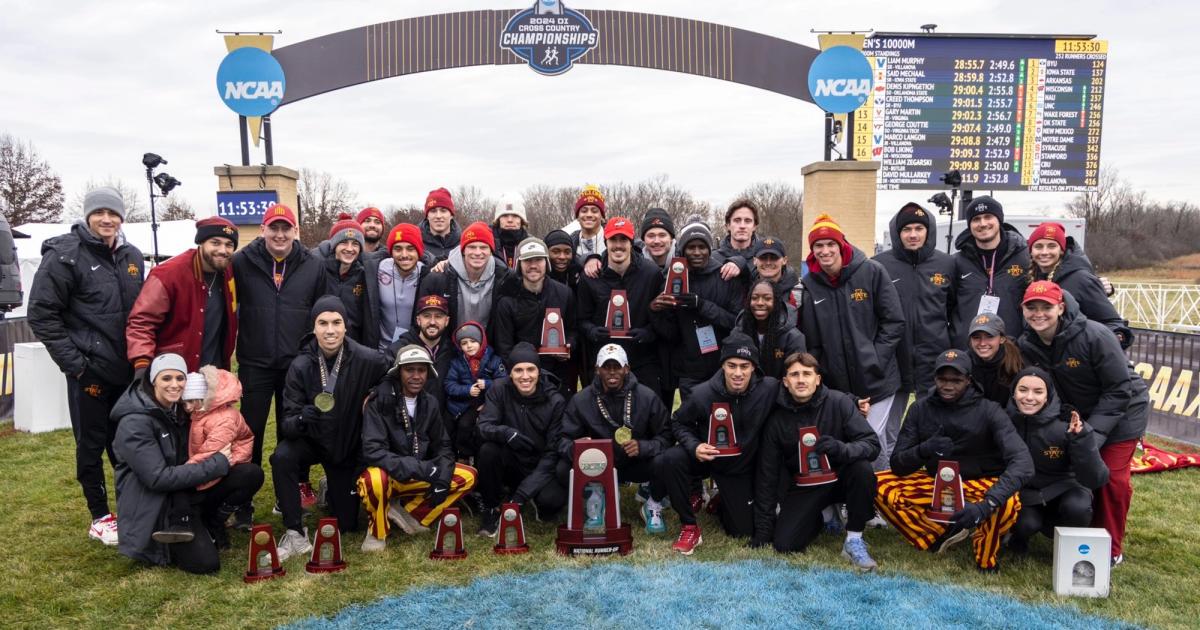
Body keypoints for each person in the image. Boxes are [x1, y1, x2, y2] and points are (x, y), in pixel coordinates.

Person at [29, 186, 145, 545]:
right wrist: (76, 365)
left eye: (113, 214)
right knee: (91, 444)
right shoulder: (65, 256)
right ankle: (99, 515)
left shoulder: (132, 256)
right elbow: (42, 314)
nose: (107, 220)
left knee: (125, 442)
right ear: (88, 215)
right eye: (100, 213)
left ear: (122, 218)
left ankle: (130, 507)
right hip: (90, 372)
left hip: (125, 371)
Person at [1018, 280, 1148, 566]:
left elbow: (1119, 389)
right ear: (1023, 310)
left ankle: (1111, 548)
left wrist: (1094, 436)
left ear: (1061, 307)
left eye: (1046, 307)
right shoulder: (1027, 342)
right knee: (1078, 474)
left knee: (1111, 477)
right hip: (1080, 414)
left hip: (1124, 412)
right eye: (1031, 307)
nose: (1039, 313)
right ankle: (1076, 532)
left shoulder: (1096, 335)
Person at [876, 349, 1033, 571]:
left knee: (1007, 503)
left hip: (981, 483)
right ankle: (936, 535)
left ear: (969, 380)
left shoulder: (990, 410)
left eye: (956, 380)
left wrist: (985, 504)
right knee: (877, 483)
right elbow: (898, 466)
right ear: (934, 379)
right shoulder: (920, 408)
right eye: (942, 379)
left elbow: (1023, 462)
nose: (948, 385)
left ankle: (985, 557)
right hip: (935, 482)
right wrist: (924, 449)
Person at [111, 353, 262, 574]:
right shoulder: (134, 423)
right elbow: (157, 478)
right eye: (166, 378)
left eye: (180, 378)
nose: (174, 385)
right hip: (160, 504)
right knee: (205, 564)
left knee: (250, 474)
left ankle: (210, 520)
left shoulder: (183, 408)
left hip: (186, 488)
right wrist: (218, 463)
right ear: (153, 380)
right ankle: (169, 539)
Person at [271, 296, 390, 561]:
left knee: (347, 525)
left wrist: (376, 393)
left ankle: (329, 487)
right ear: (313, 328)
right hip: (311, 440)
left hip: (345, 445)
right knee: (282, 457)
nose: (330, 330)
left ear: (346, 326)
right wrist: (302, 418)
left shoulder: (365, 357)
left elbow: (390, 375)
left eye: (337, 322)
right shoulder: (300, 366)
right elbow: (287, 425)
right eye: (322, 323)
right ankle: (293, 529)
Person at [232, 203, 325, 526]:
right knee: (250, 431)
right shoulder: (241, 261)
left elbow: (320, 312)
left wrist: (312, 355)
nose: (280, 234)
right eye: (274, 228)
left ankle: (294, 489)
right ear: (263, 230)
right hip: (255, 362)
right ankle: (242, 500)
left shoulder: (312, 264)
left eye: (286, 228)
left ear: (295, 231)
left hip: (296, 363)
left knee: (294, 428)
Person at [753, 353, 880, 570]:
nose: (801, 380)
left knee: (862, 469)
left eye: (807, 374)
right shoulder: (776, 419)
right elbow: (767, 474)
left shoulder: (839, 402)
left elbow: (871, 444)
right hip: (804, 486)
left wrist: (842, 449)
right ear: (785, 382)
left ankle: (854, 539)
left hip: (840, 477)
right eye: (794, 374)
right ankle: (823, 517)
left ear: (818, 379)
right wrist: (764, 531)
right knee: (785, 545)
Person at [800, 213, 905, 471]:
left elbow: (894, 321)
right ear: (812, 251)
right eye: (818, 246)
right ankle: (850, 498)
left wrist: (875, 359)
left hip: (877, 380)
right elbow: (812, 341)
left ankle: (878, 497)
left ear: (842, 245)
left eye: (830, 244)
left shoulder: (871, 271)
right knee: (844, 438)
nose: (825, 251)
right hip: (839, 385)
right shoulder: (810, 284)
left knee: (871, 438)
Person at [661, 333, 780, 553]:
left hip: (740, 467)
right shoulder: (702, 393)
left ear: (754, 367)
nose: (737, 373)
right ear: (722, 365)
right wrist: (694, 446)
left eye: (744, 366)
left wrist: (851, 402)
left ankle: (722, 500)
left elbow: (805, 395)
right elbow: (678, 422)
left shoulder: (770, 389)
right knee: (671, 459)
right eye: (731, 365)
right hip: (709, 458)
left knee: (741, 531)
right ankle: (689, 525)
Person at [359, 345, 477, 551]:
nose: (416, 376)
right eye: (409, 370)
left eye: (421, 370)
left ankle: (408, 513)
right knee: (373, 480)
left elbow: (444, 446)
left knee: (468, 476)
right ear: (398, 372)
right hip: (388, 474)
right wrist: (423, 469)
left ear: (428, 374)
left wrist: (442, 477)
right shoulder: (379, 400)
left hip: (417, 471)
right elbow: (373, 451)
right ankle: (377, 532)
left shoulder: (430, 402)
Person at [558, 343, 675, 534]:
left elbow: (668, 435)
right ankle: (595, 495)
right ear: (597, 370)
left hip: (636, 462)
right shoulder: (581, 400)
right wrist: (579, 450)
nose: (612, 372)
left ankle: (653, 503)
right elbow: (563, 439)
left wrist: (644, 447)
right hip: (597, 466)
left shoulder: (646, 396)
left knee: (667, 460)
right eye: (606, 367)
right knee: (563, 468)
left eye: (617, 367)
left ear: (626, 368)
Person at [1006, 367, 1110, 555]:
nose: (1029, 397)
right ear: (1013, 393)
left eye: (1038, 392)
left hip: (1064, 489)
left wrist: (1082, 440)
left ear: (1048, 396)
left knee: (1076, 508)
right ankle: (1018, 537)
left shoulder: (1068, 424)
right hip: (1027, 493)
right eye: (1023, 390)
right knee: (1026, 524)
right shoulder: (1004, 422)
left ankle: (1071, 550)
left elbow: (1097, 478)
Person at [475, 343, 568, 534]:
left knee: (551, 503)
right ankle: (491, 508)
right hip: (511, 461)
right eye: (518, 370)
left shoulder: (555, 400)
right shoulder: (499, 389)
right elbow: (483, 426)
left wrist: (520, 496)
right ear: (510, 373)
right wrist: (507, 433)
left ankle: (527, 497)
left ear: (539, 372)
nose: (525, 376)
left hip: (540, 465)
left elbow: (553, 452)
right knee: (488, 451)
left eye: (530, 370)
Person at [127, 217, 238, 373]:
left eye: (229, 245)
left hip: (214, 373)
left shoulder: (227, 272)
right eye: (215, 242)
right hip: (174, 375)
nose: (222, 250)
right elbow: (142, 323)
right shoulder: (168, 274)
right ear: (201, 242)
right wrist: (142, 365)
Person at [650, 219, 745, 400]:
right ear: (682, 250)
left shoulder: (725, 276)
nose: (696, 252)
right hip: (689, 369)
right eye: (690, 247)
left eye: (701, 247)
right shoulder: (671, 278)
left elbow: (736, 322)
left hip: (722, 364)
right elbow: (670, 333)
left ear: (709, 249)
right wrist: (655, 312)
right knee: (693, 419)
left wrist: (700, 305)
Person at [872, 202, 955, 404]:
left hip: (933, 357)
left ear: (929, 231)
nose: (913, 235)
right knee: (888, 428)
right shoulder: (878, 265)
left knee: (933, 420)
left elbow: (953, 308)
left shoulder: (947, 264)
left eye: (919, 228)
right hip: (893, 357)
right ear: (897, 233)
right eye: (906, 229)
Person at [577, 216, 666, 398]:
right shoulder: (591, 276)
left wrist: (647, 333)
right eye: (613, 240)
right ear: (605, 242)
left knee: (647, 419)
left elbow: (663, 317)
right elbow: (581, 319)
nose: (618, 245)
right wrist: (593, 331)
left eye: (623, 240)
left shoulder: (651, 274)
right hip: (605, 361)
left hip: (642, 359)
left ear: (631, 242)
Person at [180, 366, 256, 549]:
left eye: (191, 401)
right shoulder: (201, 414)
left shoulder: (223, 419)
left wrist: (180, 475)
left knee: (252, 474)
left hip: (224, 470)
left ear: (203, 398)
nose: (187, 407)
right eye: (184, 403)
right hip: (209, 470)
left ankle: (216, 517)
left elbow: (209, 454)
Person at [492, 237, 578, 396]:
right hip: (523, 376)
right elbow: (504, 346)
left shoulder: (564, 293)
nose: (533, 266)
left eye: (538, 260)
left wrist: (568, 346)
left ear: (547, 262)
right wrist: (520, 372)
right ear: (519, 264)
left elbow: (573, 329)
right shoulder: (507, 300)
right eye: (527, 261)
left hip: (557, 373)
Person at [1026, 222, 1132, 348]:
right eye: (1038, 246)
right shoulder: (1032, 278)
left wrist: (1105, 342)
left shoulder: (1081, 278)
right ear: (1031, 251)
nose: (1044, 252)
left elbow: (1111, 322)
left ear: (1061, 250)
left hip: (1077, 357)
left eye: (1051, 246)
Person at [950, 195, 1030, 348]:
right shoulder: (956, 262)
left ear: (999, 220)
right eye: (976, 219)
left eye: (988, 217)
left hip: (1012, 349)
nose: (982, 223)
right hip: (969, 349)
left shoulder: (1025, 258)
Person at [420, 221, 513, 336]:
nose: (478, 253)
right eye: (472, 247)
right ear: (463, 250)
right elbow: (419, 320)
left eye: (483, 247)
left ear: (491, 251)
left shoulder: (505, 278)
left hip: (487, 348)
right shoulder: (438, 277)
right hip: (449, 347)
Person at [444, 321, 507, 457]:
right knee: (452, 427)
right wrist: (467, 390)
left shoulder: (494, 360)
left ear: (481, 341)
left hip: (486, 403)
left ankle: (468, 456)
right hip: (461, 404)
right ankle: (457, 456)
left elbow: (504, 382)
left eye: (473, 341)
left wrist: (488, 384)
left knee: (467, 426)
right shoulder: (457, 362)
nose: (469, 346)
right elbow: (449, 384)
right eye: (464, 343)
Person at [390, 294, 455, 415]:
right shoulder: (400, 348)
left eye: (438, 316)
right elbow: (383, 374)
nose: (432, 322)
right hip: (407, 420)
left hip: (443, 422)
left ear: (447, 321)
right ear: (418, 320)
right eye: (426, 316)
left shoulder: (454, 351)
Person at [370, 223, 429, 350]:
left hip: (414, 350)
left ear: (419, 251)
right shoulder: (378, 269)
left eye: (410, 248)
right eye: (398, 249)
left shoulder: (427, 274)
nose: (404, 255)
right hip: (381, 349)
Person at [734, 278, 806, 379]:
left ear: (776, 303)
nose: (759, 303)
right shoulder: (738, 332)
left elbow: (795, 377)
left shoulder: (793, 338)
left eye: (767, 298)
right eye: (754, 298)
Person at [317, 215, 369, 343]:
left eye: (355, 244)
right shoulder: (318, 270)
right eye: (344, 242)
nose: (350, 249)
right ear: (334, 245)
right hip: (322, 344)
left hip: (352, 346)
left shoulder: (363, 275)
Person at [966, 313, 1024, 405]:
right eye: (976, 337)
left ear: (1002, 339)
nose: (982, 343)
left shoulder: (1017, 361)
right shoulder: (964, 363)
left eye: (989, 336)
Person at [715, 198, 763, 279]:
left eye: (747, 221)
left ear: (754, 226)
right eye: (737, 220)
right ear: (728, 225)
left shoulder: (764, 258)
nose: (742, 226)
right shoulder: (713, 259)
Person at [751, 237, 803, 307]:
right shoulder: (746, 288)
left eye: (774, 258)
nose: (768, 262)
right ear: (754, 261)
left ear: (784, 260)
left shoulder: (798, 292)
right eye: (763, 257)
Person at [571, 185, 607, 276]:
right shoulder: (570, 243)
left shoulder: (612, 239)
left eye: (594, 211)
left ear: (602, 217)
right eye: (584, 211)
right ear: (577, 217)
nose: (589, 215)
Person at [419, 188, 462, 262]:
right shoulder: (415, 243)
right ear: (427, 216)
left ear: (451, 215)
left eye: (443, 211)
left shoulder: (464, 244)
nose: (438, 216)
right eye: (433, 211)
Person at [492, 193, 530, 269]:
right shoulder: (488, 243)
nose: (510, 220)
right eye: (505, 216)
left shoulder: (530, 244)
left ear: (522, 220)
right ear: (498, 219)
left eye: (515, 216)